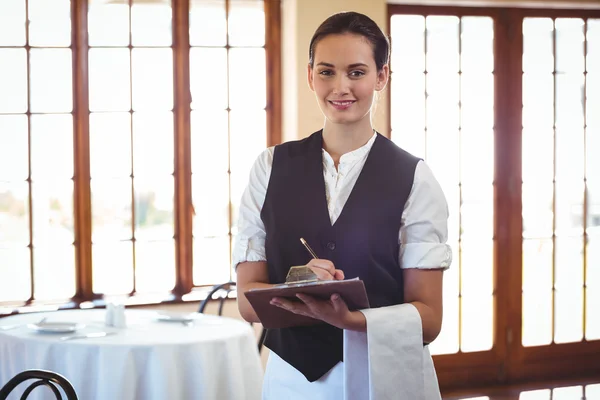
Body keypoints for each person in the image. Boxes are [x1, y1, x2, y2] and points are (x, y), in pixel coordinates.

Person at [234, 10, 452, 400]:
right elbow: (248, 303)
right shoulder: (269, 167)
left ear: (381, 76)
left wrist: (352, 319)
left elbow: (430, 318)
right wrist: (299, 282)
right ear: (310, 75)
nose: (340, 87)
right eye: (327, 72)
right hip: (293, 383)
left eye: (356, 72)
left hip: (385, 379)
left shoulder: (416, 178)